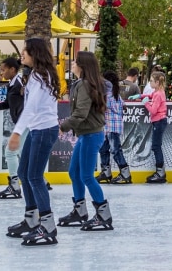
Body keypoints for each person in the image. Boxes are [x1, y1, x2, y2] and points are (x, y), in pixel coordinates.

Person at [6, 38, 62, 246]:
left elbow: (30, 108)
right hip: (39, 130)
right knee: (23, 173)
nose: (21, 54)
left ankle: (47, 226)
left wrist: (17, 133)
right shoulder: (36, 75)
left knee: (35, 177)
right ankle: (31, 220)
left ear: (35, 54)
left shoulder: (40, 77)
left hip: (45, 130)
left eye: (25, 51)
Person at [58, 52, 113, 232]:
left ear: (82, 66)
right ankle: (80, 211)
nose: (72, 64)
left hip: (91, 135)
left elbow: (81, 112)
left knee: (87, 176)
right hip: (86, 135)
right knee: (75, 172)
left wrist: (63, 126)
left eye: (74, 62)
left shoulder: (84, 84)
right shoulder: (83, 84)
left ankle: (104, 214)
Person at [0, 57, 27, 199]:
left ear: (12, 69)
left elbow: (24, 105)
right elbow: (7, 104)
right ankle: (39, 180)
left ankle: (15, 185)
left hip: (24, 124)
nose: (1, 72)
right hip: (22, 124)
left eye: (4, 70)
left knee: (10, 153)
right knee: (23, 154)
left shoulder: (18, 83)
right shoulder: (13, 84)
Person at [102, 70, 131, 185]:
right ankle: (106, 172)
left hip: (112, 127)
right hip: (107, 127)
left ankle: (125, 173)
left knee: (115, 150)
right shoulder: (115, 94)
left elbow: (105, 107)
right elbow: (124, 106)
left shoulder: (109, 95)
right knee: (103, 149)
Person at [143, 71, 168, 184]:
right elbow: (150, 95)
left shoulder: (158, 94)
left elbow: (153, 110)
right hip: (158, 121)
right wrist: (140, 96)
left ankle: (160, 172)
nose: (150, 83)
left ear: (157, 82)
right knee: (156, 146)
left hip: (159, 121)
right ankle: (160, 171)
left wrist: (146, 103)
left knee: (156, 146)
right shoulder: (158, 92)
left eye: (152, 81)